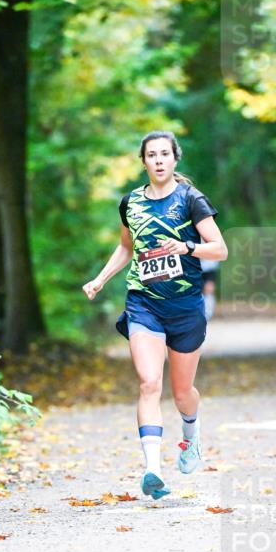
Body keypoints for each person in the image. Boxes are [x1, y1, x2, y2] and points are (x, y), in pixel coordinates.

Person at [83, 131, 228, 499]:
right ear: (144, 160)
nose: (159, 160)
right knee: (149, 383)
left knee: (182, 393)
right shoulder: (130, 203)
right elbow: (125, 247)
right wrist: (100, 279)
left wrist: (187, 246)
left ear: (175, 159)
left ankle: (191, 437)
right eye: (152, 155)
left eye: (165, 154)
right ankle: (152, 470)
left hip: (185, 307)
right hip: (143, 303)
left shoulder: (191, 199)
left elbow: (220, 249)